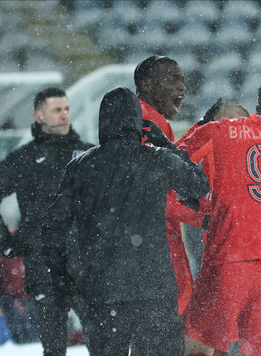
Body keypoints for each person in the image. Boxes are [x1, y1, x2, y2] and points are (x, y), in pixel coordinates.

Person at [41, 87, 210, 356]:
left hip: (101, 291)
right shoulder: (157, 159)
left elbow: (52, 228)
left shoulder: (82, 166)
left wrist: (65, 278)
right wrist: (166, 144)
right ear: (137, 122)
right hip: (153, 289)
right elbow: (198, 185)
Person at [177, 104, 261, 356]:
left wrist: (200, 125)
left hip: (230, 257)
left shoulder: (220, 130)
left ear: (221, 120)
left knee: (199, 345)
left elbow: (174, 157)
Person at [0, 87, 93, 356]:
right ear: (39, 116)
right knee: (53, 348)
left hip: (86, 266)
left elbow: (110, 206)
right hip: (43, 267)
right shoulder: (23, 159)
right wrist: (7, 243)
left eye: (66, 109)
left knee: (103, 343)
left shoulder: (89, 154)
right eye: (56, 110)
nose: (64, 115)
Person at [134, 55, 193, 354]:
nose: (182, 87)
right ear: (146, 85)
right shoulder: (150, 122)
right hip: (157, 251)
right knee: (165, 337)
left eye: (182, 79)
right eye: (172, 79)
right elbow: (156, 197)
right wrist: (205, 218)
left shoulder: (141, 119)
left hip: (142, 249)